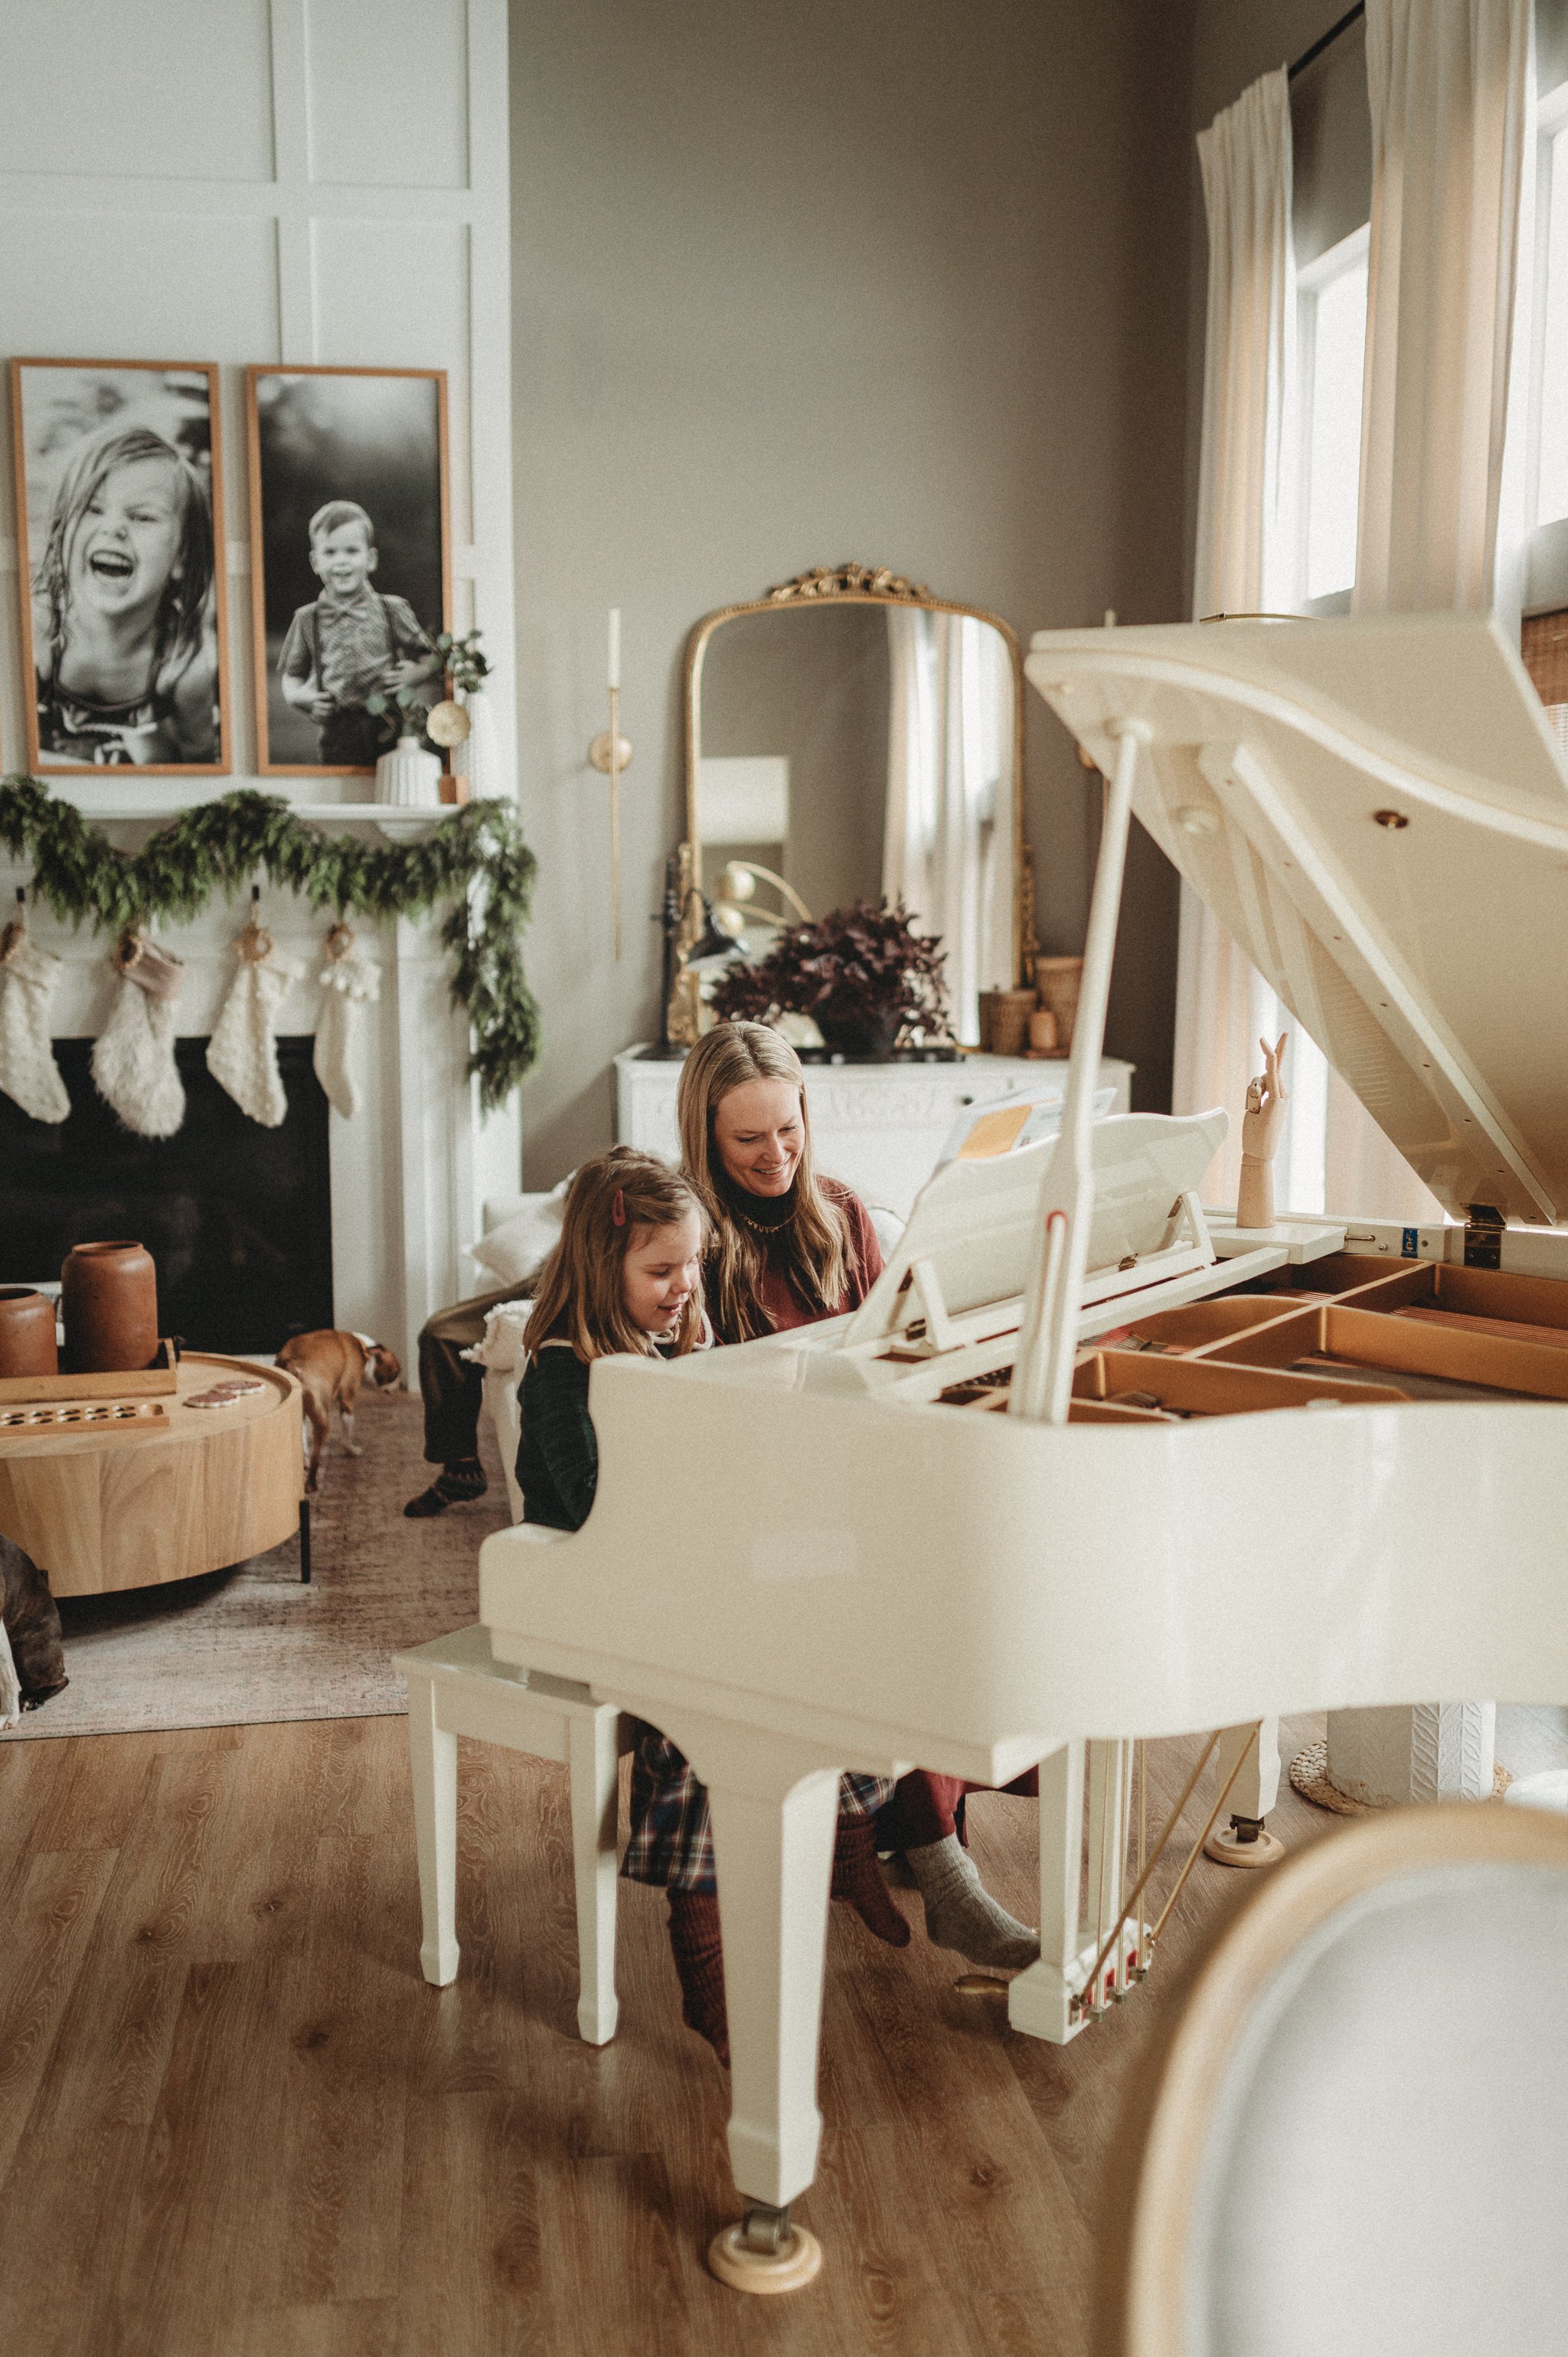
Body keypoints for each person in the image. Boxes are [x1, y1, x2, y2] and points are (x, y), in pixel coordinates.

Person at [520, 1144, 909, 2068]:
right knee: (704, 1714)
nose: (683, 1285)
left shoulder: (673, 1348)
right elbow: (593, 1507)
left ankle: (852, 1830)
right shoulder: (562, 1375)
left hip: (675, 1582)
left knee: (833, 1618)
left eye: (691, 1264)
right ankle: (703, 1949)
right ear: (596, 1264)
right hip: (587, 1596)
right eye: (660, 1269)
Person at [679, 1018, 1040, 1973]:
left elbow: (893, 1354)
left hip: (856, 1477)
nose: (775, 1156)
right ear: (705, 1135)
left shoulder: (836, 1211)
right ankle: (940, 1863)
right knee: (887, 1586)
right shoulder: (691, 1240)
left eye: (788, 1131)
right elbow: (697, 1415)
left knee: (982, 1551)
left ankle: (931, 1827)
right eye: (747, 1139)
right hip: (763, 1504)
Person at [32, 424, 218, 765]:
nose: (113, 528)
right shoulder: (37, 633)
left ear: (180, 557)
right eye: (93, 508)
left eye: (142, 517)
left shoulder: (181, 666)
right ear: (61, 532)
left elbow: (203, 765)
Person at [277, 499, 442, 766]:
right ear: (315, 561)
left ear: (371, 559)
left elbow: (433, 658)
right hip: (337, 728)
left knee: (392, 788)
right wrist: (300, 697)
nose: (341, 561)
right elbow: (292, 676)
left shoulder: (393, 609)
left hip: (389, 722)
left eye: (351, 551)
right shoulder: (307, 618)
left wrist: (416, 673)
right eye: (330, 553)